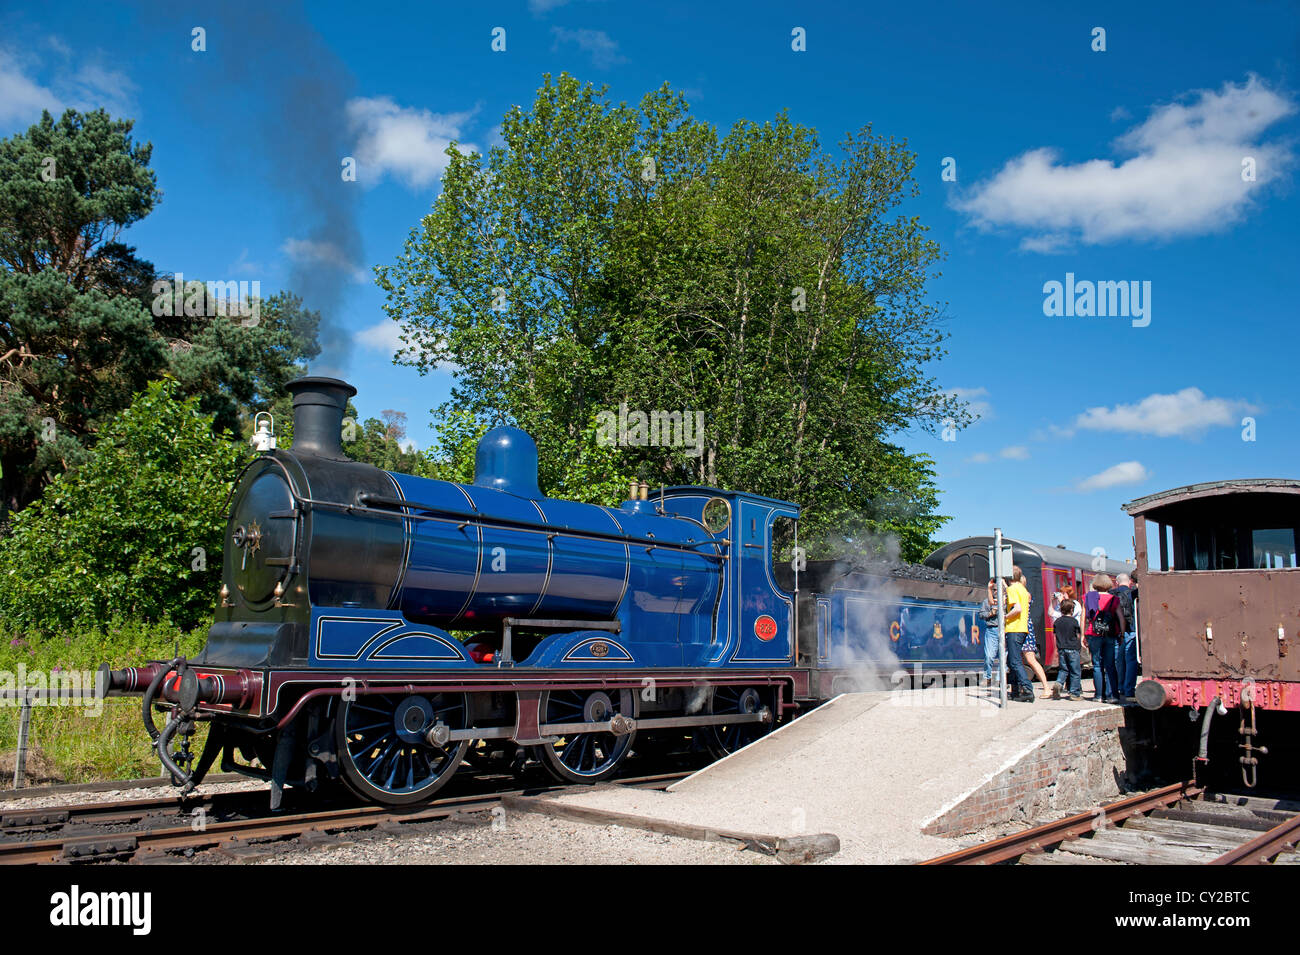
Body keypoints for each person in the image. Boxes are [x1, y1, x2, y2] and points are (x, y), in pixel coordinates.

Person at [1084, 574, 1127, 703]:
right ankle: (1112, 695)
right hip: (1110, 634)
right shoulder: (1114, 599)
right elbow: (1121, 618)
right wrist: (1122, 634)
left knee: (1097, 665)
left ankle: (1098, 696)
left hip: (1093, 634)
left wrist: (1083, 634)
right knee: (1110, 665)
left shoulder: (1088, 597)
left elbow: (1083, 618)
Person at [1003, 566, 1037, 702]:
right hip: (1022, 628)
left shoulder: (1012, 589)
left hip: (1014, 628)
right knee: (1013, 660)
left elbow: (1017, 609)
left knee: (1014, 661)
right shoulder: (1023, 590)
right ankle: (1015, 690)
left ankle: (1027, 689)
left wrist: (1005, 617)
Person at [1112, 572, 1138, 702]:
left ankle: (1120, 687)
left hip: (1116, 631)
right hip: (1131, 630)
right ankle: (1129, 690)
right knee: (1131, 660)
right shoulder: (1133, 593)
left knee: (1118, 661)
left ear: (1116, 582)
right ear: (1130, 582)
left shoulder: (1112, 593)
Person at [1052, 598, 1083, 699]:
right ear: (1072, 610)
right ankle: (1074, 693)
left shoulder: (1057, 622)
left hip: (1061, 648)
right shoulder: (1074, 621)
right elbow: (1077, 635)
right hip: (1073, 648)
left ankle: (1058, 683)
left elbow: (1055, 636)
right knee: (1075, 671)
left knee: (1063, 669)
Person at [1022, 608, 1053, 699]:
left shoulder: (1024, 595)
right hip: (1020, 627)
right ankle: (1022, 688)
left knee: (1030, 659)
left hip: (1023, 627)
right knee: (1020, 660)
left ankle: (1046, 687)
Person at [978, 580, 1003, 687]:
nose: (995, 592)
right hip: (991, 629)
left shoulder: (1006, 601)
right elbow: (981, 615)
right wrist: (990, 613)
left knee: (1004, 658)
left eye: (998, 589)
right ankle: (987, 677)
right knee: (989, 656)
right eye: (994, 590)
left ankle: (1000, 679)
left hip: (1005, 630)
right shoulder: (986, 602)